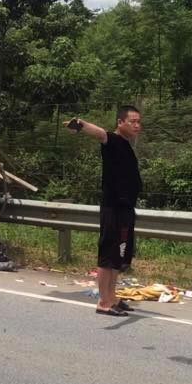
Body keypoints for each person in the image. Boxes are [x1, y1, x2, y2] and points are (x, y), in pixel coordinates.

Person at [64, 106, 142, 317]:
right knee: (108, 255)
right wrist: (80, 124)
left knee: (118, 255)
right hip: (113, 208)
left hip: (125, 209)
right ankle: (103, 302)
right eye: (132, 121)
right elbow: (99, 133)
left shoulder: (126, 145)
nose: (137, 125)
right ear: (120, 122)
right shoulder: (113, 141)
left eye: (138, 122)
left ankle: (113, 297)